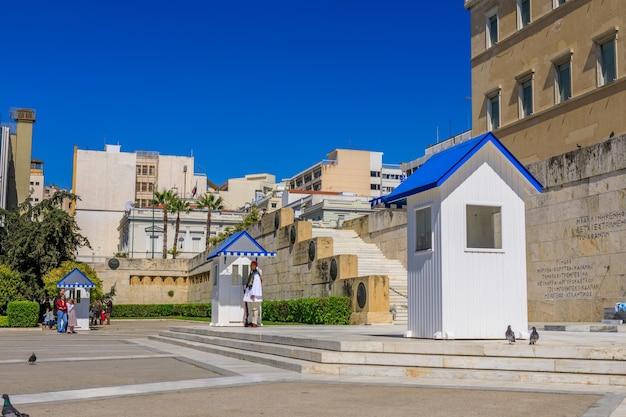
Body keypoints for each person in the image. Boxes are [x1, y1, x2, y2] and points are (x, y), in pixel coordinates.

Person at [243, 261, 262, 327]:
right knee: (251, 308)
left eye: (252, 265)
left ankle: (255, 322)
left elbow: (256, 285)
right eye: (251, 265)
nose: (251, 266)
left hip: (253, 294)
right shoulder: (252, 273)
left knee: (254, 308)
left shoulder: (256, 275)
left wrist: (254, 293)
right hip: (250, 292)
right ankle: (250, 321)